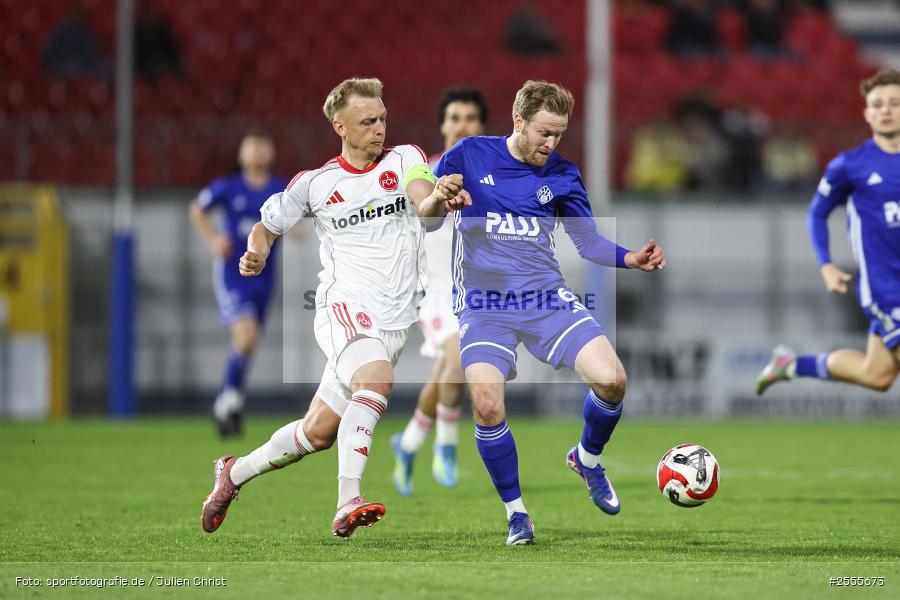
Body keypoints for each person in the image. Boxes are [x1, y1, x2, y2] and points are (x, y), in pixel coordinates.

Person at [200, 77, 470, 539]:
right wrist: (257, 251)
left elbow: (423, 206)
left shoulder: (406, 159)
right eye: (368, 122)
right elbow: (266, 227)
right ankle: (349, 500)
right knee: (377, 380)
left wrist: (438, 200)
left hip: (393, 320)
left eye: (382, 118)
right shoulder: (316, 184)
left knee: (318, 432)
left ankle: (233, 472)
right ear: (339, 126)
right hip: (343, 308)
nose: (379, 128)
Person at [434, 80, 666, 545]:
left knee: (613, 380)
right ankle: (517, 513)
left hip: (544, 298)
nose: (551, 143)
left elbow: (588, 242)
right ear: (518, 121)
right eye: (544, 132)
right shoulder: (468, 155)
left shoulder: (562, 174)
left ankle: (588, 458)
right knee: (485, 403)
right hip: (485, 305)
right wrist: (440, 196)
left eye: (559, 134)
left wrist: (630, 259)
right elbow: (428, 215)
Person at [756, 69, 900, 395]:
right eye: (878, 104)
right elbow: (817, 212)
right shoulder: (851, 165)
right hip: (887, 288)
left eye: (894, 103)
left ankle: (790, 364)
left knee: (877, 375)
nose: (886, 110)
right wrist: (826, 264)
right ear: (867, 113)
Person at [391, 87, 488, 495]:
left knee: (447, 370)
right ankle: (446, 446)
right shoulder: (425, 172)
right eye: (454, 117)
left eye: (470, 117)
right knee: (458, 358)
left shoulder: (492, 176)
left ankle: (408, 442)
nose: (462, 124)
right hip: (431, 289)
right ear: (443, 126)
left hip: (475, 287)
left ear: (482, 126)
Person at [189, 130, 286, 437]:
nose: (257, 153)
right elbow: (197, 209)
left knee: (250, 341)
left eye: (262, 146)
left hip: (265, 275)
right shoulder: (228, 187)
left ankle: (228, 401)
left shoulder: (279, 188)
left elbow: (297, 213)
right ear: (242, 155)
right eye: (251, 148)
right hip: (233, 273)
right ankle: (228, 401)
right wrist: (213, 240)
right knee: (246, 336)